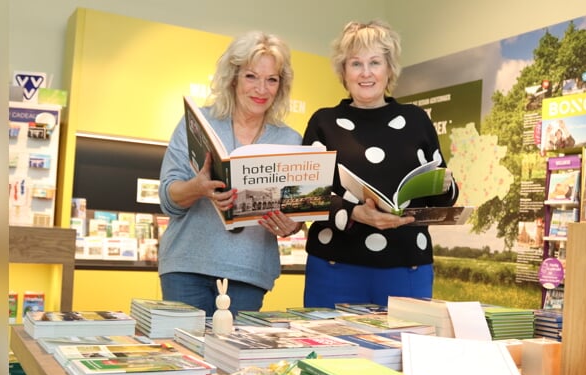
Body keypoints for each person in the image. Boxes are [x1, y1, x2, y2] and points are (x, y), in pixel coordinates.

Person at [301, 20, 459, 308]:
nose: (366, 73)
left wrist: (445, 186)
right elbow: (302, 199)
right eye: (356, 64)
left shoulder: (417, 120)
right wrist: (354, 212)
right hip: (335, 268)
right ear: (344, 72)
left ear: (389, 69)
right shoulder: (323, 122)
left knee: (403, 352)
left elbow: (442, 193)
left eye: (375, 62)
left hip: (407, 268)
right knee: (332, 354)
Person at [158, 31, 303, 316]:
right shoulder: (198, 123)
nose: (261, 89)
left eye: (271, 79)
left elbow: (298, 212)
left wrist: (293, 225)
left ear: (280, 86)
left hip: (248, 272)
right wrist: (198, 188)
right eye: (251, 76)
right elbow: (168, 199)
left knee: (235, 358)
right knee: (185, 357)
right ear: (233, 77)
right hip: (186, 266)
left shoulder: (290, 140)